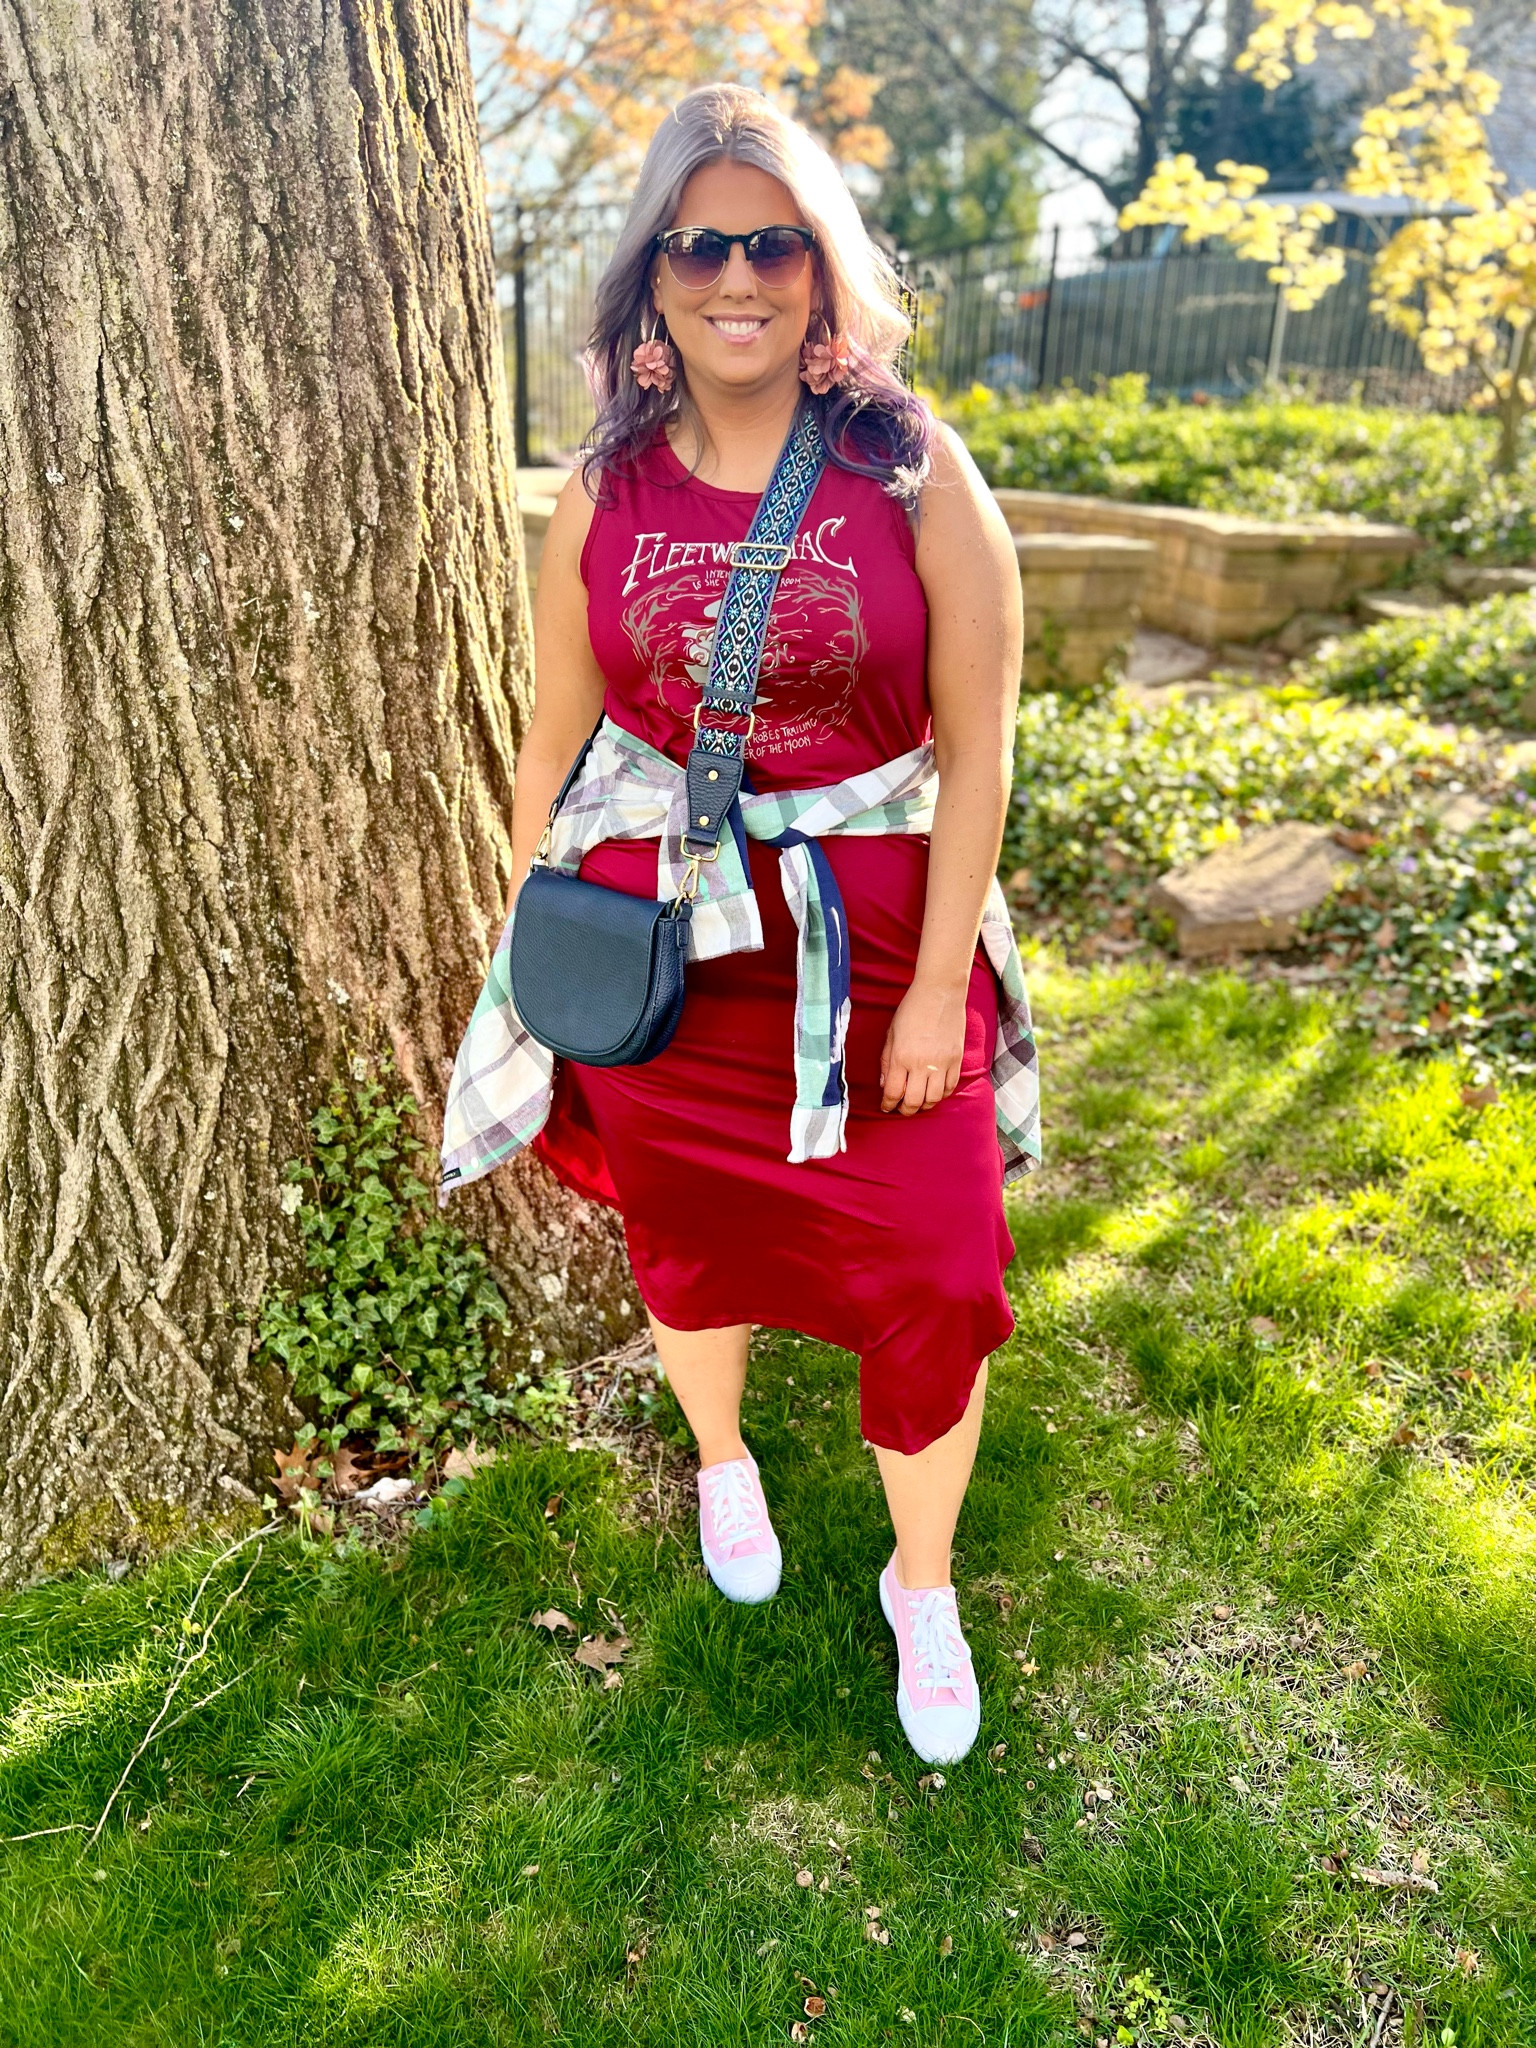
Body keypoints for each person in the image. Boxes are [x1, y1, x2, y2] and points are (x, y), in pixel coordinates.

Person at [440, 83, 1037, 1764]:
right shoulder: (605, 488)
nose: (737, 275)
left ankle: (922, 1581)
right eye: (699, 243)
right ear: (651, 276)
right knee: (683, 1233)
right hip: (669, 955)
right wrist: (533, 931)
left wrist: (934, 997)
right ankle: (722, 1461)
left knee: (934, 1264)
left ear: (823, 266)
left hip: (875, 946)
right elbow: (558, 736)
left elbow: (981, 743)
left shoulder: (913, 465)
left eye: (773, 240)